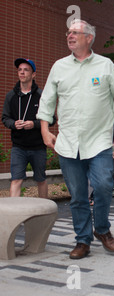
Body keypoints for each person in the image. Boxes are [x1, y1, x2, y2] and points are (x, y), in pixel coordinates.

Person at [37, 19, 114, 260]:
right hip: (68, 143)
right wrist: (45, 129)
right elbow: (47, 99)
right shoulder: (59, 67)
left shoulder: (105, 65)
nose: (70, 35)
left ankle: (102, 229)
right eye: (68, 32)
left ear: (89, 37)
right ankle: (82, 240)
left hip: (99, 141)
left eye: (75, 32)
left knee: (102, 186)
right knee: (78, 195)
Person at [2, 58, 56, 198]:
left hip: (38, 146)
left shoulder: (41, 95)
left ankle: (44, 210)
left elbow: (52, 119)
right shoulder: (11, 96)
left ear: (33, 74)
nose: (22, 72)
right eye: (20, 70)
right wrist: (14, 124)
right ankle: (15, 214)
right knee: (16, 179)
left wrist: (34, 124)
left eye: (26, 70)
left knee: (41, 179)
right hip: (18, 146)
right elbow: (5, 118)